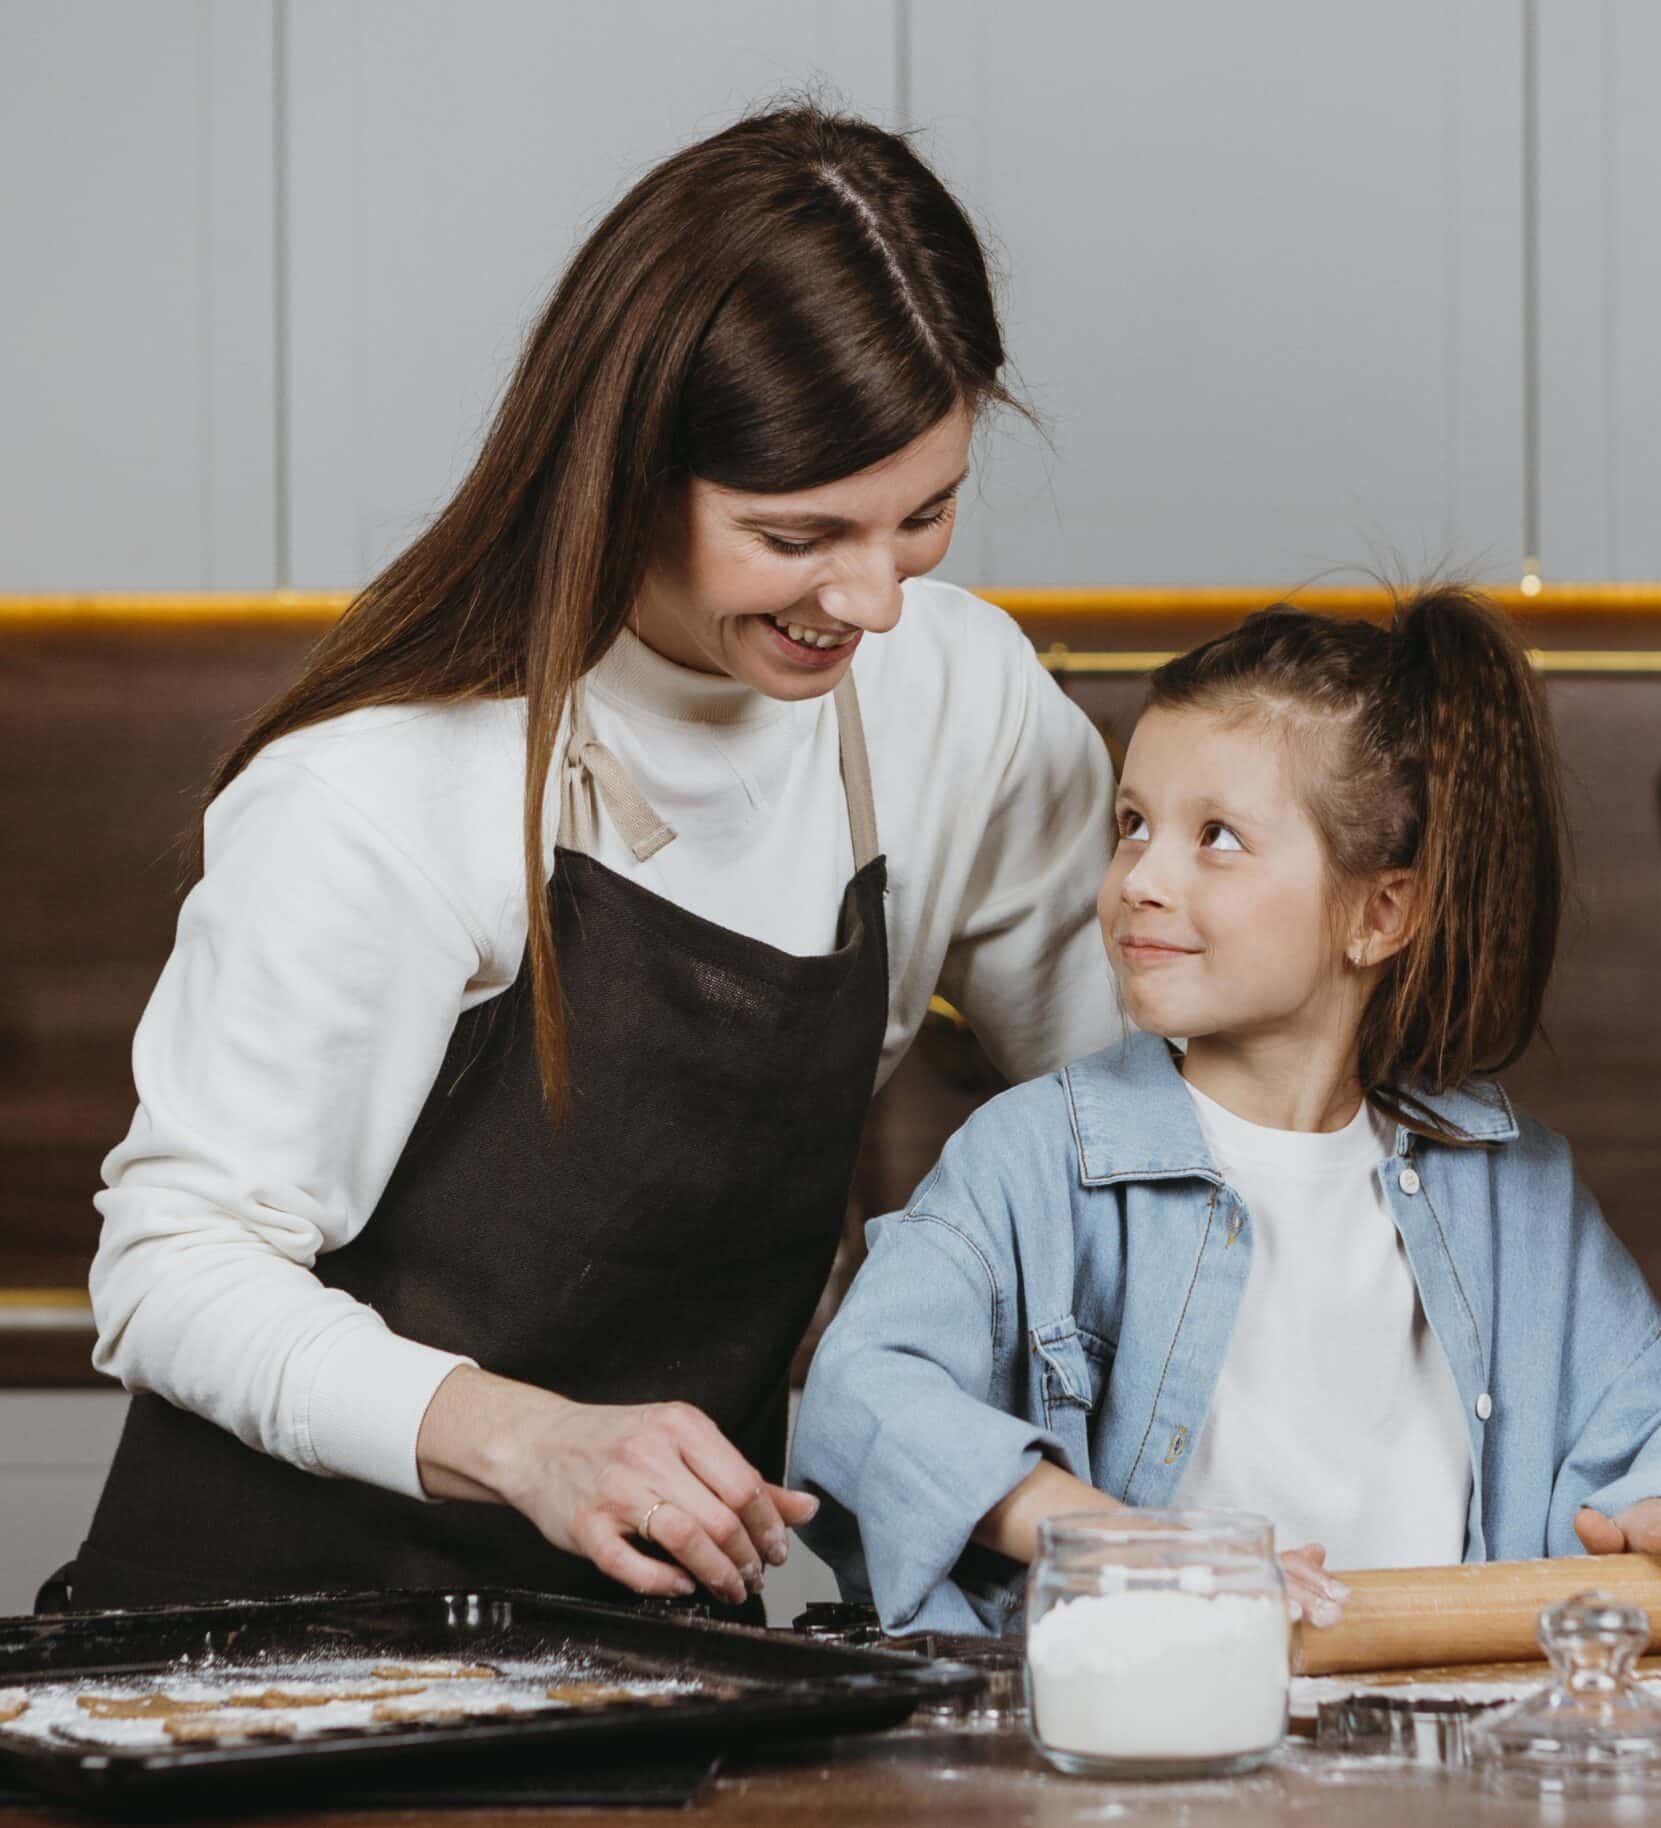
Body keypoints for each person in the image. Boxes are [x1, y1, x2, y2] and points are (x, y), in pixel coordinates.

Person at [52, 106, 1124, 1615]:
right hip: (264, 1646)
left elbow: (1133, 1122)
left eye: (927, 514)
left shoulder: (960, 701)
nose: (874, 598)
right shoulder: (386, 786)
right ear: (624, 473)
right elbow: (173, 1270)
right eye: (799, 534)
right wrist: (531, 1442)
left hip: (653, 1659)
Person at [790, 589, 1661, 1633]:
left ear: (1382, 912)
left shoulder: (1513, 1186)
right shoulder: (1031, 1158)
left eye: (1217, 837)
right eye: (1132, 824)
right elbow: (862, 1394)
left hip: (1439, 1759)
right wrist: (1107, 1536)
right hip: (1150, 1751)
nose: (1141, 877)